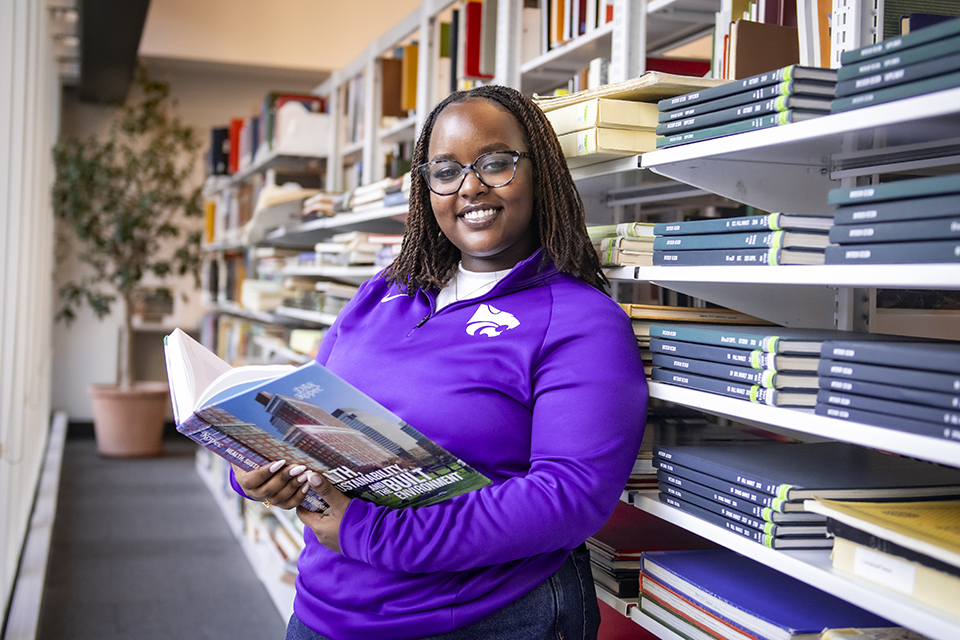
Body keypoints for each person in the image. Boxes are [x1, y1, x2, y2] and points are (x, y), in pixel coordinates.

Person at [233, 84, 648, 640]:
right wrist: (260, 469)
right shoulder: (381, 293)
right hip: (324, 609)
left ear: (539, 171)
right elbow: (306, 413)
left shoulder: (580, 319)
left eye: (495, 163)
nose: (470, 186)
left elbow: (568, 495)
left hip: (478, 617)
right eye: (446, 171)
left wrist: (371, 532)